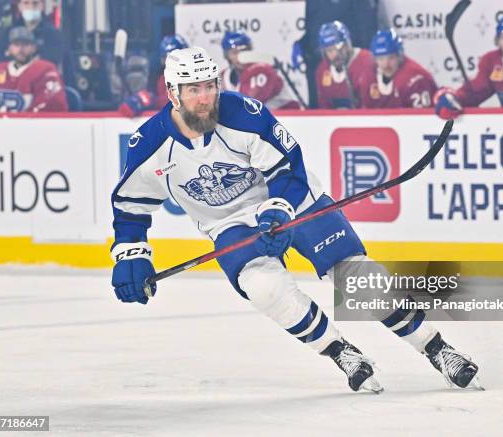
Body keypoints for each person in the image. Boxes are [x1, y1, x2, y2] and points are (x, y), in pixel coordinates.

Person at [110, 46, 480, 392]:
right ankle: (342, 354)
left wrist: (276, 211)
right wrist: (131, 255)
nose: (205, 98)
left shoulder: (243, 114)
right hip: (229, 223)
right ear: (173, 94)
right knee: (265, 289)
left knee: (356, 276)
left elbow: (287, 169)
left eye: (210, 86)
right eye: (194, 90)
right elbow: (129, 207)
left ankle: (436, 348)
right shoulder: (149, 145)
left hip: (292, 200)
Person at [0, 27, 67, 113]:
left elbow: (51, 108)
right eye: (16, 44)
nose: (20, 49)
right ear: (9, 48)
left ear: (34, 48)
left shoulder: (46, 70)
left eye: (26, 44)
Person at [0, 0, 72, 85]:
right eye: (26, 3)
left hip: (43, 85)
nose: (30, 7)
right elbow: (1, 61)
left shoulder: (53, 34)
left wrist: (19, 63)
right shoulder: (9, 32)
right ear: (20, 6)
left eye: (35, 3)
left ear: (42, 6)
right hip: (12, 85)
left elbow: (50, 62)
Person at [220, 31, 301, 110]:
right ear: (227, 56)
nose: (240, 56)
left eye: (243, 51)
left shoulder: (263, 71)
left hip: (286, 118)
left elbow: (249, 105)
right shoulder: (223, 77)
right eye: (235, 52)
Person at [360, 29, 437, 109]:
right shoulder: (368, 75)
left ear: (399, 56)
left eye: (391, 58)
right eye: (380, 59)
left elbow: (422, 117)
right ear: (374, 59)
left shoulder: (416, 79)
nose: (386, 65)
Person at [119, 34, 189, 118]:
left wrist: (152, 99)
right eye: (166, 59)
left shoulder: (194, 80)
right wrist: (140, 99)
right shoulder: (162, 79)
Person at [315, 21, 374, 109]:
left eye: (339, 48)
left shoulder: (367, 61)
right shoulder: (322, 70)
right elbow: (325, 110)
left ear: (348, 45)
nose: (335, 54)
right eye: (330, 50)